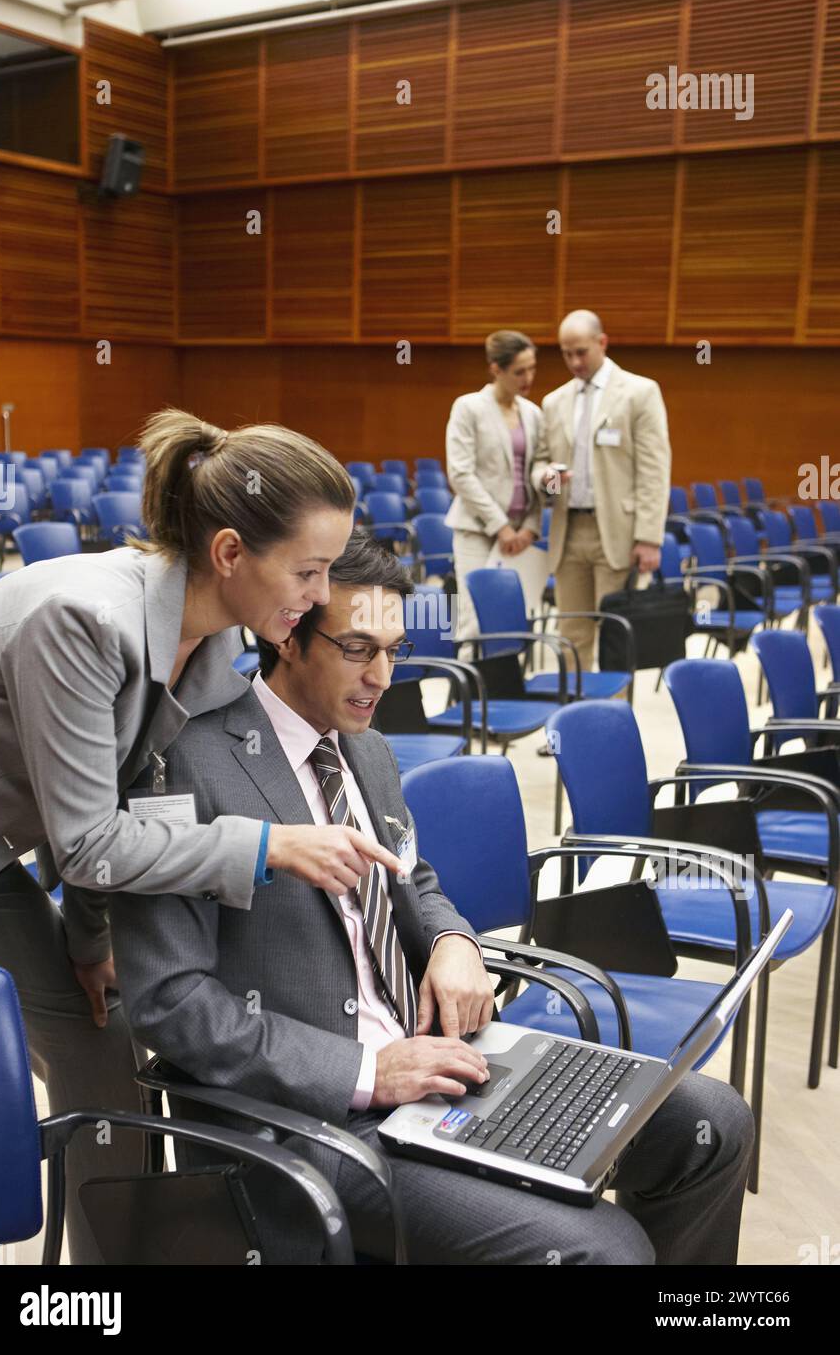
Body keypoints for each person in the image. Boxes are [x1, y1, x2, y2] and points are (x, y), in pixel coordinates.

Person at [110, 531, 754, 1266]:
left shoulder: (368, 750)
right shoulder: (184, 766)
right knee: (603, 1252)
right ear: (287, 634)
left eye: (394, 650)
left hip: (438, 1068)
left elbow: (415, 879)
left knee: (713, 1122)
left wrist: (454, 942)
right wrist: (366, 1072)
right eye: (358, 649)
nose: (382, 677)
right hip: (313, 1124)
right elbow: (168, 1000)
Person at [0, 412, 406, 1264]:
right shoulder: (82, 620)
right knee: (78, 1045)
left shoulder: (206, 656)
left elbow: (126, 809)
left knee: (106, 1021)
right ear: (232, 554)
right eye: (309, 571)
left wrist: (91, 936)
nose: (321, 596)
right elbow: (94, 840)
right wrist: (267, 846)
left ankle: (121, 1263)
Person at [532, 310, 671, 671]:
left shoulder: (639, 392)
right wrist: (547, 476)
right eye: (566, 354)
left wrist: (649, 538)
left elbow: (654, 469)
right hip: (568, 529)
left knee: (615, 634)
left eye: (581, 352)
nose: (574, 362)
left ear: (602, 343)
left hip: (619, 532)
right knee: (572, 634)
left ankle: (612, 720)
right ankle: (574, 715)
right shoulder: (554, 401)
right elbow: (541, 463)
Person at [445, 330, 545, 645]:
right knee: (476, 620)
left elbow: (538, 472)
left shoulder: (533, 413)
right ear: (496, 369)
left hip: (520, 535)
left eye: (532, 368)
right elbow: (460, 474)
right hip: (477, 530)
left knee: (510, 619)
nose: (528, 378)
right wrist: (500, 527)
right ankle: (463, 693)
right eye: (519, 371)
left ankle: (502, 692)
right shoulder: (469, 407)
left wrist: (529, 527)